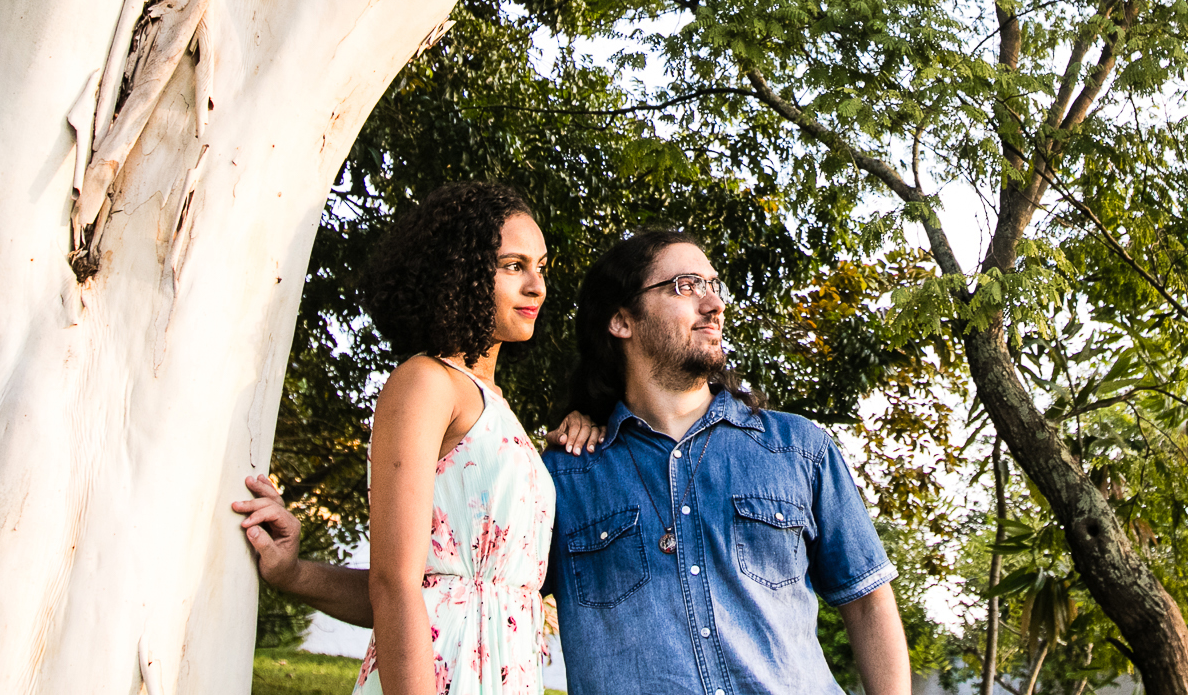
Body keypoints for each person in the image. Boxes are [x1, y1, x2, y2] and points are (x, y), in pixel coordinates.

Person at [238, 228, 911, 695]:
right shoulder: (563, 476)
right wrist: (296, 572)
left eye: (713, 282)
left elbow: (869, 601)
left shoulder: (798, 447)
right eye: (684, 284)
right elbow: (449, 592)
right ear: (621, 320)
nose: (714, 300)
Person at [237, 182, 554, 695]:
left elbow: (430, 589)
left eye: (540, 266)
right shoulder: (426, 382)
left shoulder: (497, 405)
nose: (537, 286)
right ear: (462, 272)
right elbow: (395, 585)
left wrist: (294, 574)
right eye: (513, 266)